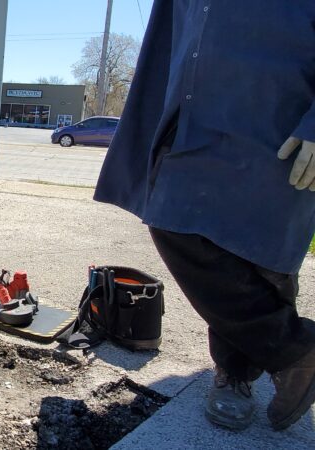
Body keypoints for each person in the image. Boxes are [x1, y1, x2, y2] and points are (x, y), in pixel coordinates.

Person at [94, 1, 315, 432]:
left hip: (282, 113)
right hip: (197, 113)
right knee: (174, 221)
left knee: (264, 252)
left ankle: (237, 371)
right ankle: (294, 352)